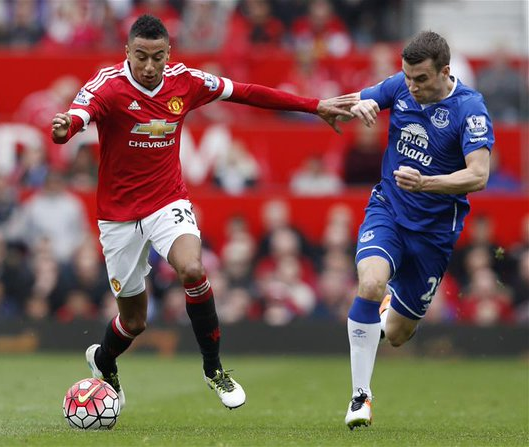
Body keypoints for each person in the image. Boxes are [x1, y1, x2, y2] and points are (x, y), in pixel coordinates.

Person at [50, 14, 356, 413]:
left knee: (193, 270)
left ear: (168, 54)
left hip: (167, 202)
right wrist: (66, 127)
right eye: (140, 56)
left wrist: (313, 106)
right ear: (127, 52)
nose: (148, 66)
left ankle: (214, 369)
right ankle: (104, 360)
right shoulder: (109, 86)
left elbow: (245, 92)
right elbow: (80, 112)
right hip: (118, 216)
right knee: (134, 322)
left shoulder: (186, 81)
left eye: (157, 57)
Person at [336, 31, 494, 429]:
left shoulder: (470, 109)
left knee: (400, 333)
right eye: (407, 77)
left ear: (445, 71)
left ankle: (388, 310)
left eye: (420, 79)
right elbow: (365, 96)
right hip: (388, 209)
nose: (411, 87)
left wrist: (426, 183)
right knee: (370, 283)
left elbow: (478, 176)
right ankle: (361, 397)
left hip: (434, 233)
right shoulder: (402, 86)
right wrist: (367, 105)